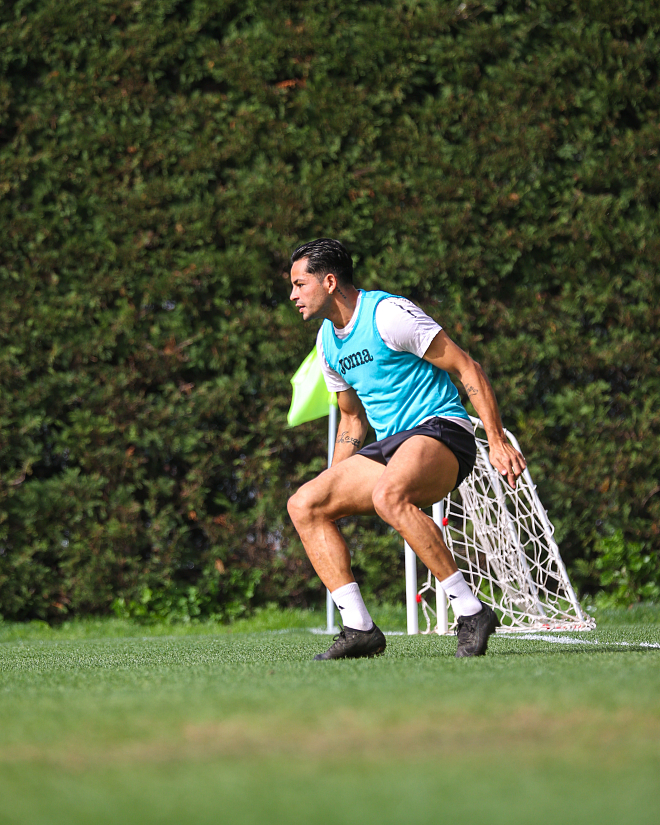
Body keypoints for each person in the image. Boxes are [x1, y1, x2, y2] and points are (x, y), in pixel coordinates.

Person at [287, 238, 526, 660]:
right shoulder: (327, 342)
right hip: (391, 446)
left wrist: (497, 439)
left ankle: (471, 612)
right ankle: (359, 628)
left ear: (329, 282)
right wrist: (332, 484)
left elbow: (466, 367)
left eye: (299, 284)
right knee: (305, 504)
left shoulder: (388, 314)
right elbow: (352, 419)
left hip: (442, 430)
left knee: (388, 496)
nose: (293, 295)